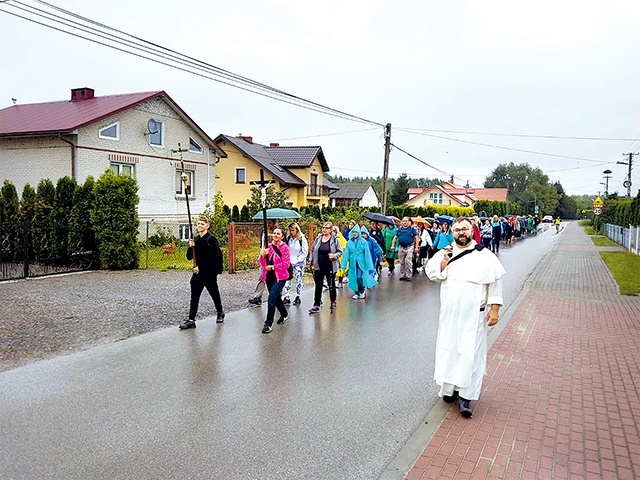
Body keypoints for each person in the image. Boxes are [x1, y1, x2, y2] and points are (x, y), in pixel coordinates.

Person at [425, 217, 506, 418]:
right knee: (449, 350)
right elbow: (432, 274)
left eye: (465, 229)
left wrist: (494, 309)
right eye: (457, 229)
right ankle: (450, 390)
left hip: (474, 317)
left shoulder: (485, 256)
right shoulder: (445, 252)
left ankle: (466, 397)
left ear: (472, 231)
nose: (461, 233)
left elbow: (495, 285)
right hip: (450, 316)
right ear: (452, 232)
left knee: (470, 354)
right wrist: (444, 262)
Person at [179, 216, 225, 330]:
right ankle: (191, 320)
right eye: (198, 224)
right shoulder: (196, 239)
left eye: (202, 224)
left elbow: (214, 257)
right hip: (197, 273)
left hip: (209, 273)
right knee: (194, 296)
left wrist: (201, 267)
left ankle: (220, 312)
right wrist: (190, 247)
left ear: (207, 226)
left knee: (214, 293)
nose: (199, 226)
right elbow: (189, 257)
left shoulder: (211, 239)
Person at [258, 227, 291, 334]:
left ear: (282, 236)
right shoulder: (269, 247)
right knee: (276, 297)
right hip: (269, 277)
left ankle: (268, 323)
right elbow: (263, 264)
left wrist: (273, 267)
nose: (275, 235)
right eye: (274, 233)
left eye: (278, 233)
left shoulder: (285, 248)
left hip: (280, 277)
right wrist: (263, 256)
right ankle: (284, 313)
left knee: (271, 298)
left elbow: (286, 264)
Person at [308, 221, 343, 313]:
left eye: (327, 228)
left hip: (330, 266)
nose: (324, 229)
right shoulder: (318, 238)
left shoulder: (335, 239)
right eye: (323, 227)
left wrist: (334, 255)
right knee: (318, 286)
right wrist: (310, 260)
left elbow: (340, 251)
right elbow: (312, 250)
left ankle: (333, 300)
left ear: (331, 230)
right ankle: (316, 304)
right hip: (318, 265)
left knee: (331, 285)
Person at [341, 225, 377, 299]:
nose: (354, 233)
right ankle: (356, 292)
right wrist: (343, 265)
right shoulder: (349, 242)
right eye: (353, 232)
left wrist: (369, 264)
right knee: (353, 278)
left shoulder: (363, 242)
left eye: (356, 232)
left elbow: (367, 254)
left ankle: (362, 291)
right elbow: (346, 254)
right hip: (353, 263)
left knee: (359, 277)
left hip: (361, 263)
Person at [248, 219, 277, 307]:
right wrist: (260, 255)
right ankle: (257, 297)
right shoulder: (264, 232)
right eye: (266, 223)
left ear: (274, 223)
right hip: (264, 257)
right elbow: (262, 245)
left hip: (273, 258)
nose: (268, 224)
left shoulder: (277, 232)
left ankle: (275, 296)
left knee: (275, 278)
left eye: (270, 223)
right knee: (261, 276)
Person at [282, 222, 308, 306]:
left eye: (293, 230)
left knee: (298, 280)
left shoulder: (301, 239)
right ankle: (287, 296)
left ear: (297, 230)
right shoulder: (288, 238)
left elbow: (305, 252)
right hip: (289, 262)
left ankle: (298, 296)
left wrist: (298, 260)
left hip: (298, 263)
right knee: (287, 279)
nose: (291, 232)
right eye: (290, 230)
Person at [391, 216, 420, 281]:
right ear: (402, 222)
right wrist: (392, 245)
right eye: (404, 221)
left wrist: (416, 247)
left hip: (410, 246)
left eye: (406, 221)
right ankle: (403, 275)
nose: (405, 222)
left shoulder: (412, 229)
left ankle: (408, 275)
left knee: (408, 261)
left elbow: (417, 238)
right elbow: (395, 237)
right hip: (401, 246)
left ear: (409, 222)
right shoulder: (400, 229)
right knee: (402, 262)